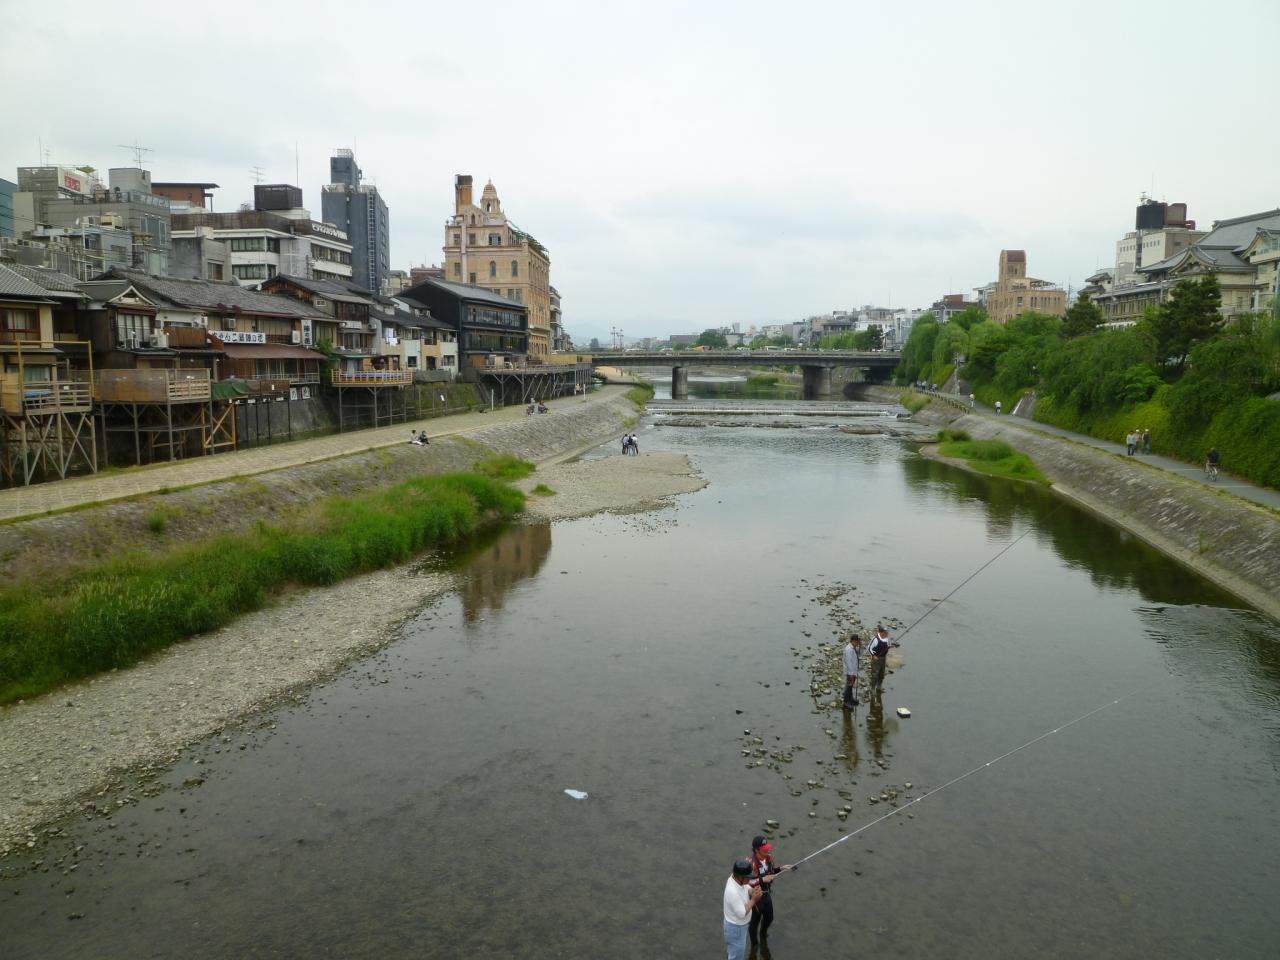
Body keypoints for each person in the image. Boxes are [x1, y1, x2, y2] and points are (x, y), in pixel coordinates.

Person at [748, 836, 794, 946]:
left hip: (766, 894)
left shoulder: (768, 858)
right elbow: (747, 883)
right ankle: (754, 945)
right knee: (754, 923)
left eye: (767, 847)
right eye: (764, 849)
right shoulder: (751, 863)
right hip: (756, 897)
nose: (768, 850)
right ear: (756, 850)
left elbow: (772, 871)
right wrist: (762, 879)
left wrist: (782, 868)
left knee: (769, 918)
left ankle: (763, 935)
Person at [723, 859, 762, 960]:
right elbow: (741, 913)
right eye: (748, 877)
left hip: (735, 928)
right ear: (740, 877)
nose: (750, 880)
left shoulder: (734, 879)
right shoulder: (732, 892)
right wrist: (754, 899)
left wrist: (751, 891)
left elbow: (745, 887)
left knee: (733, 952)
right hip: (736, 929)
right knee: (737, 957)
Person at [868, 624, 893, 697]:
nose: (887, 633)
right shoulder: (875, 639)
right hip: (876, 659)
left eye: (887, 632)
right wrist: (873, 655)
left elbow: (887, 646)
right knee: (875, 675)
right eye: (885, 632)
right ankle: (872, 688)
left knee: (881, 674)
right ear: (881, 632)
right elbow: (869, 648)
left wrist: (890, 646)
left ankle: (879, 687)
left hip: (883, 659)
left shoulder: (886, 639)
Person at [842, 632, 862, 709]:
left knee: (850, 687)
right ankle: (846, 703)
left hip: (853, 672)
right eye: (857, 641)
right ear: (853, 641)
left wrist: (861, 646)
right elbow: (849, 662)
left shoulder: (853, 648)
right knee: (849, 687)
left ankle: (851, 699)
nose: (858, 643)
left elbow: (860, 652)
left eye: (858, 641)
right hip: (850, 672)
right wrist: (851, 674)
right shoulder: (849, 650)